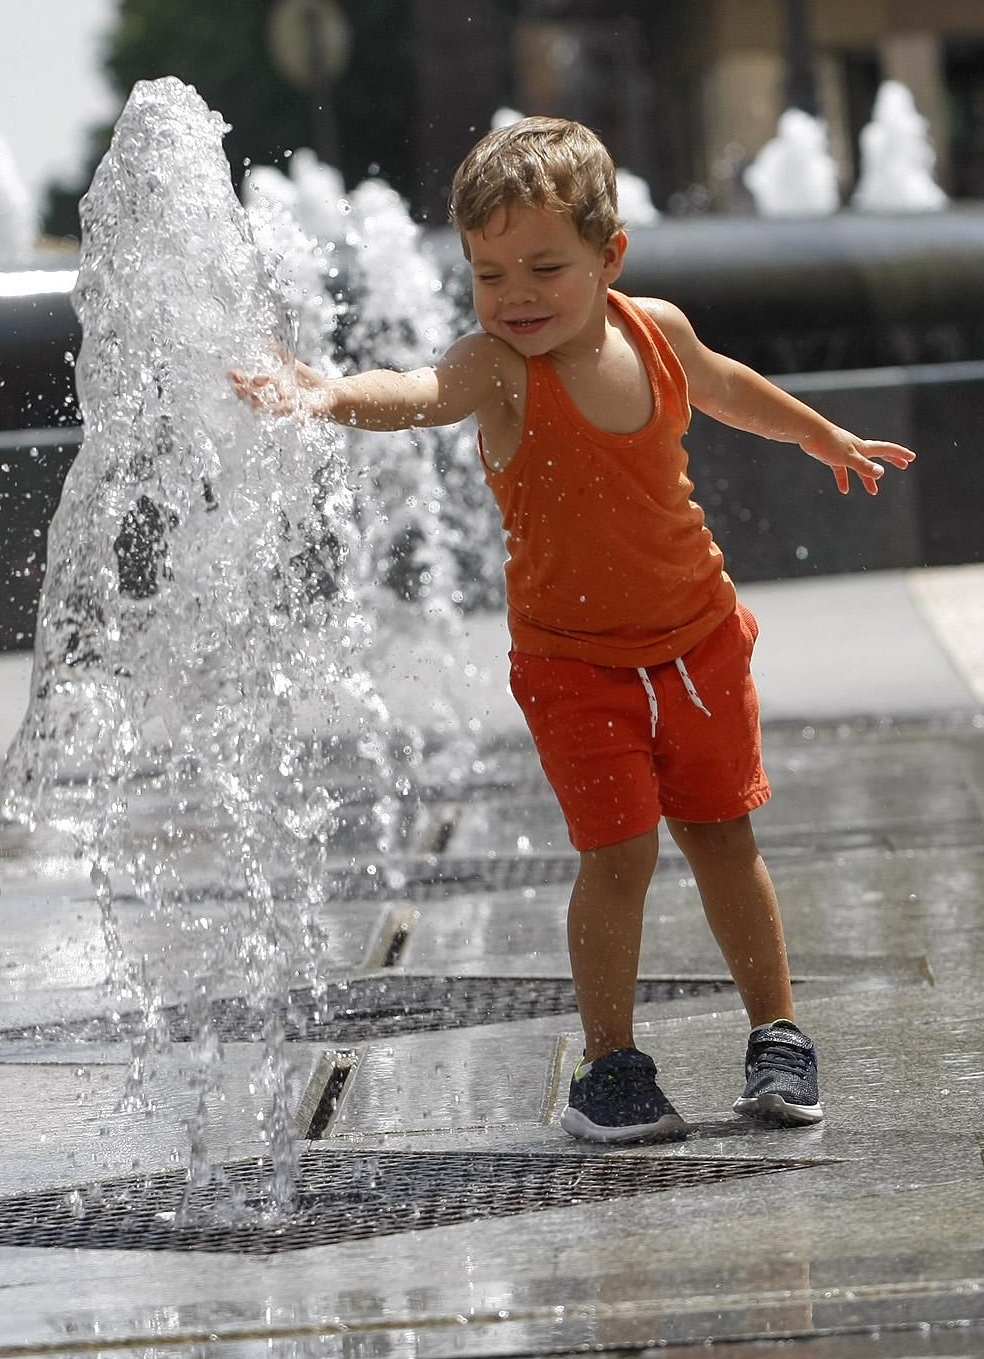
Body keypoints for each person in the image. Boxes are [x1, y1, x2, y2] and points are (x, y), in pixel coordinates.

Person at [230, 117, 915, 1143]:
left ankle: (777, 1034)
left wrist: (820, 435)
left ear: (610, 257)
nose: (515, 296)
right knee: (621, 852)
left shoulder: (658, 332)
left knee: (725, 834)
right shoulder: (499, 369)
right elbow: (418, 395)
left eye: (545, 266)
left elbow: (727, 387)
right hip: (574, 667)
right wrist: (327, 394)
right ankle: (611, 1065)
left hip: (700, 640)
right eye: (488, 272)